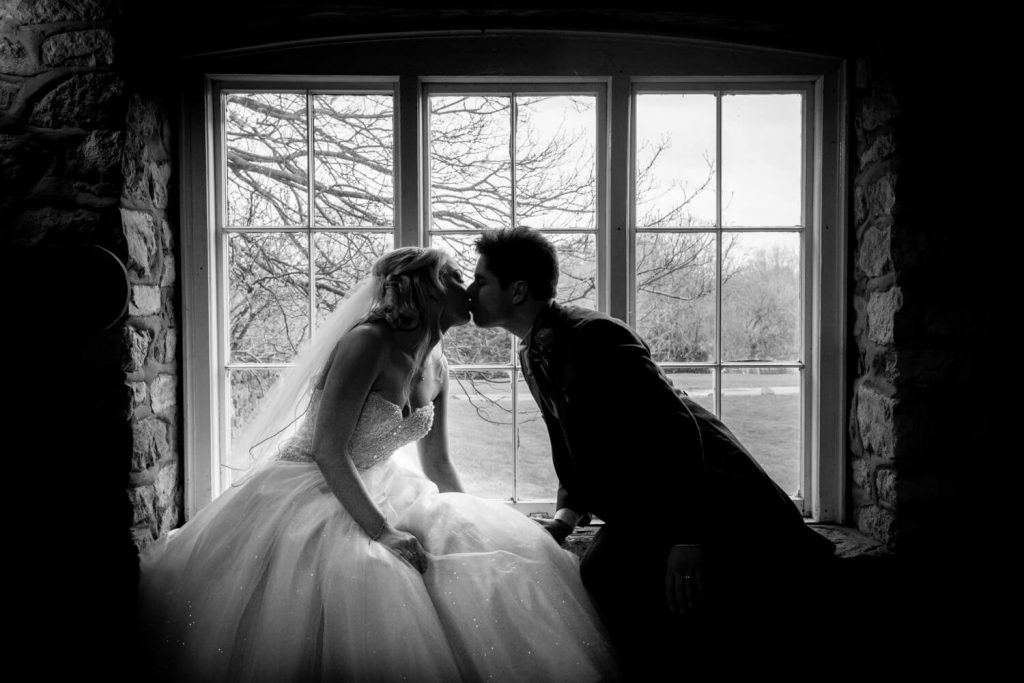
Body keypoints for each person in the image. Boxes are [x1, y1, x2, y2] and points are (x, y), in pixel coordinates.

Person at [137, 247, 619, 682]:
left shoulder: (437, 363)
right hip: (311, 487)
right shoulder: (367, 343)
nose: (469, 289)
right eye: (455, 277)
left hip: (385, 482)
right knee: (367, 574)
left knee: (490, 557)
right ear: (423, 287)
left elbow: (439, 462)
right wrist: (380, 530)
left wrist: (474, 519)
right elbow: (329, 450)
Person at [466, 227, 836, 675]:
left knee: (621, 581)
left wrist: (687, 537)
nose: (470, 291)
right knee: (602, 574)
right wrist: (565, 518)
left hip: (713, 500)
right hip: (645, 504)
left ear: (518, 290)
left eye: (480, 280)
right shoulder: (533, 351)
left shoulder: (594, 336)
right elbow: (570, 444)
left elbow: (677, 431)